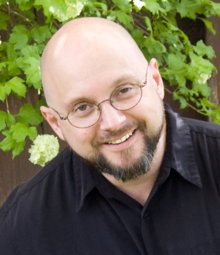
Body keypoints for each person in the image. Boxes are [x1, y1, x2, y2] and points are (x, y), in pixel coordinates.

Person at [0, 17, 220, 255]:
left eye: (124, 90)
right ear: (55, 123)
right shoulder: (22, 226)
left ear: (156, 81)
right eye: (82, 107)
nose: (114, 122)